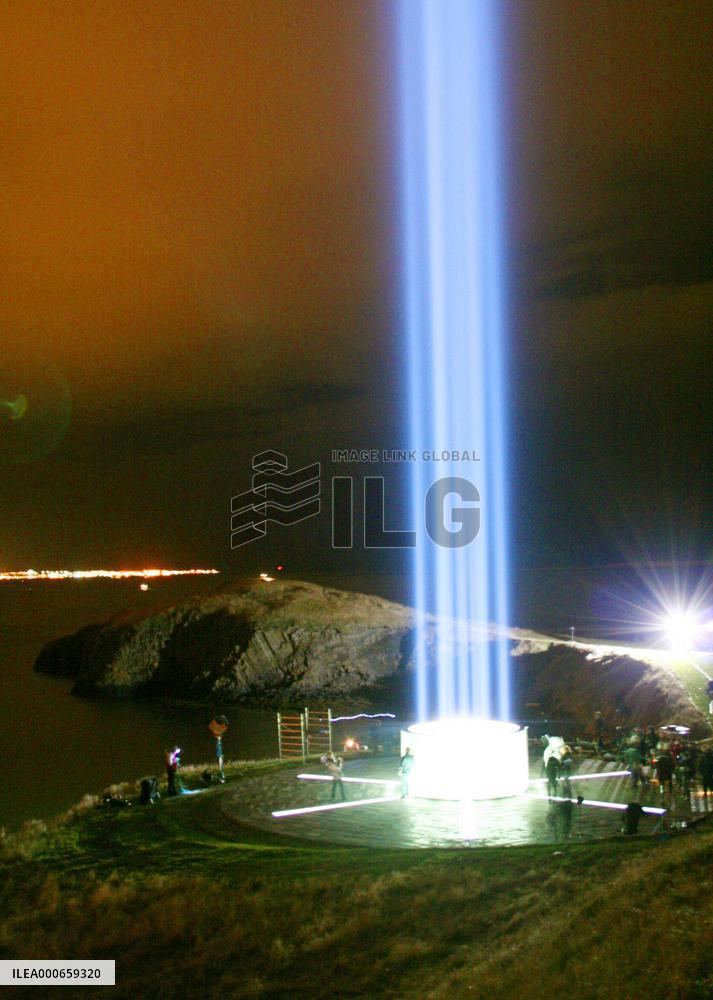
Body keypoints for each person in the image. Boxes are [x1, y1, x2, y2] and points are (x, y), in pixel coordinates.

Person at [209, 714, 229, 782]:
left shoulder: (221, 724)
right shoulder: (218, 724)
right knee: (219, 754)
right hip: (218, 738)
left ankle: (221, 771)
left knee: (220, 755)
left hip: (218, 738)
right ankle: (220, 772)